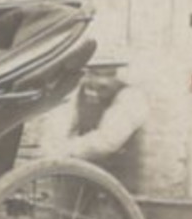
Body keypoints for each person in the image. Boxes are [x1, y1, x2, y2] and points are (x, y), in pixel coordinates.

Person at [41, 56, 150, 189]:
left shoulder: (131, 98)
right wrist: (52, 149)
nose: (99, 81)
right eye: (93, 73)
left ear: (116, 74)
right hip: (80, 181)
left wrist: (65, 150)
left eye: (108, 74)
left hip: (117, 183)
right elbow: (57, 125)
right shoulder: (76, 94)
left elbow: (107, 141)